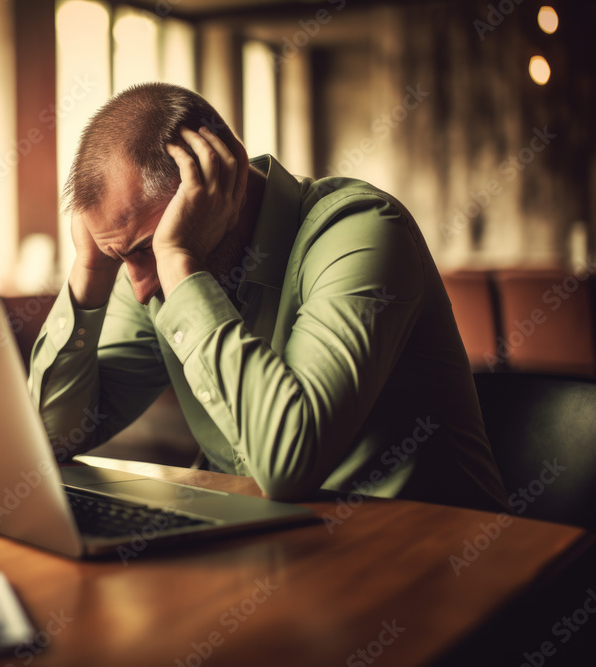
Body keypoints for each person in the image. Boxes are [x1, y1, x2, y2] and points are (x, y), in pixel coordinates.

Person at [27, 82, 508, 513]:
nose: (140, 287)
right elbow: (50, 440)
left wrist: (175, 256)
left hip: (433, 555)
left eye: (144, 251)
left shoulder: (365, 231)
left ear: (222, 186)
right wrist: (90, 271)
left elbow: (288, 466)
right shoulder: (147, 268)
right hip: (273, 549)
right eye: (120, 258)